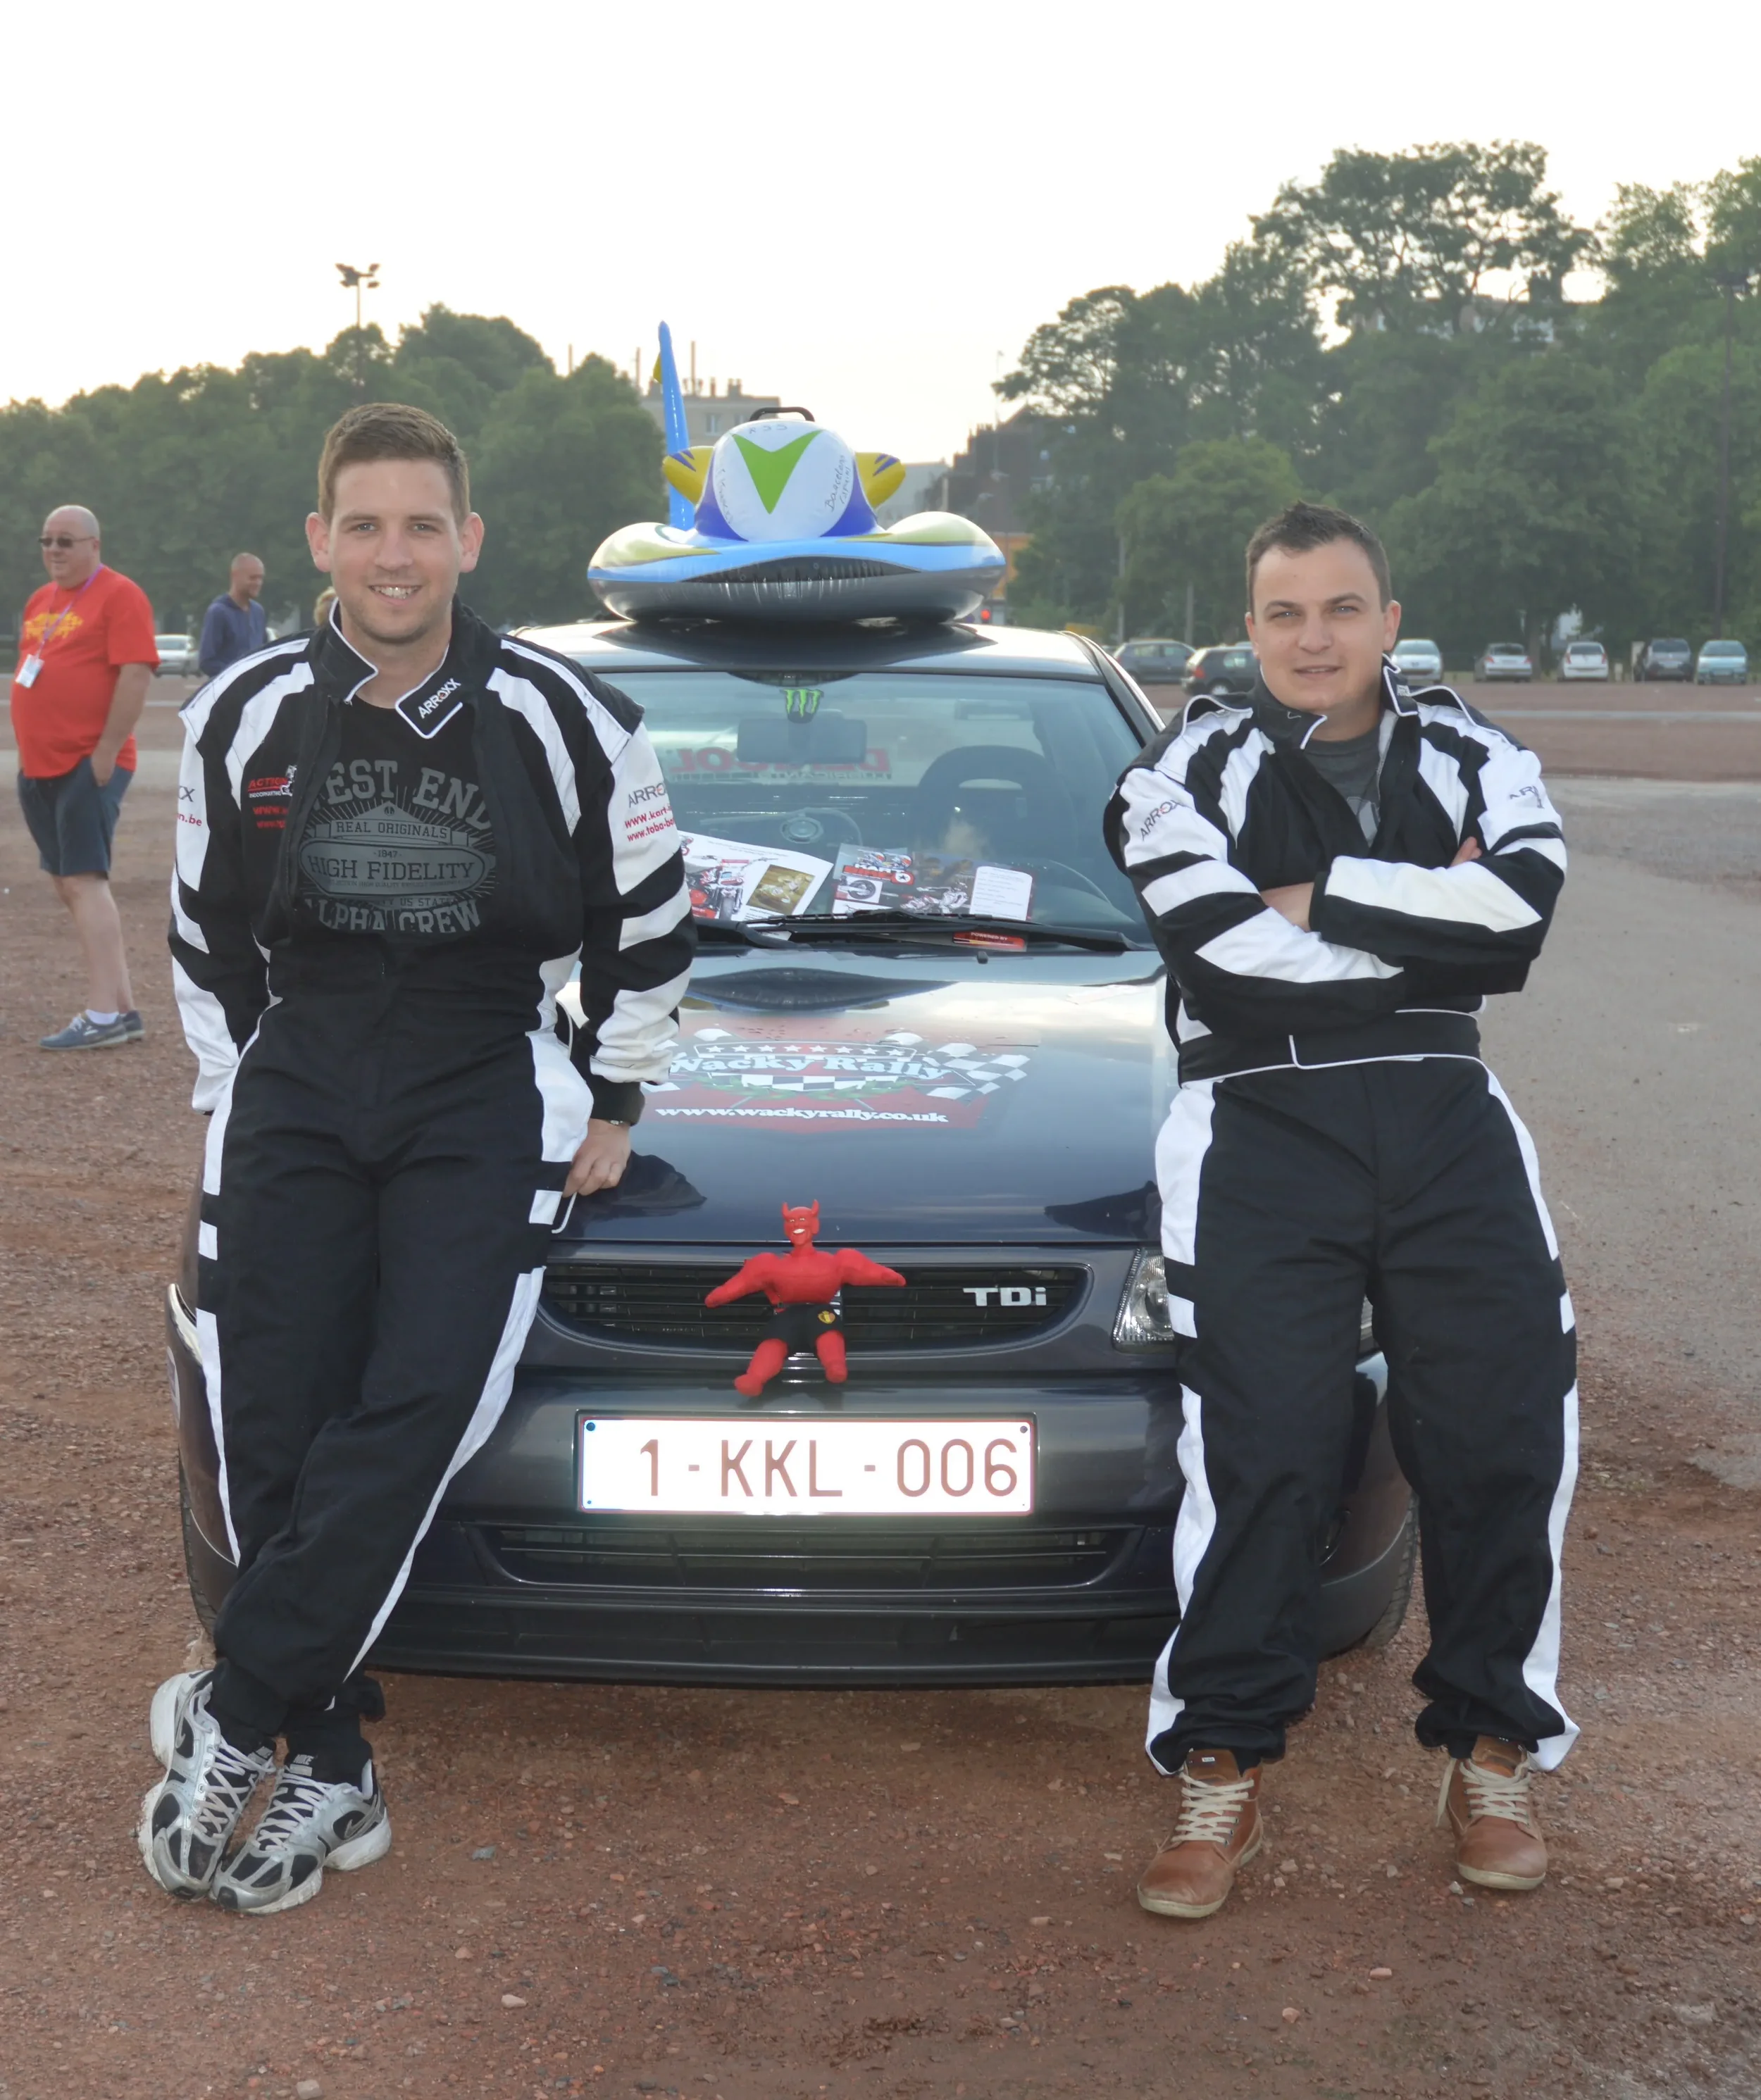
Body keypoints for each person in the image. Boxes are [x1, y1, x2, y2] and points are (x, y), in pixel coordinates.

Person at [142, 401, 693, 1914]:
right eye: (365, 525)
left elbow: (646, 923)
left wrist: (615, 1097)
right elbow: (203, 931)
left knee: (419, 1399)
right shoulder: (241, 708)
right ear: (320, 541)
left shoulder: (571, 714)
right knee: (275, 1408)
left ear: (470, 539)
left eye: (423, 525)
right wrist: (232, 1087)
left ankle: (240, 1708)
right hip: (298, 1074)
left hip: (480, 1077)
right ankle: (331, 1753)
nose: (396, 554)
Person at [1105, 501, 1575, 1920]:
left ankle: (1490, 1744)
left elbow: (1521, 919)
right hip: (1256, 1117)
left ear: (1386, 618)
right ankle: (1220, 1760)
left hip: (1443, 1111)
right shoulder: (1177, 766)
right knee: (1268, 1449)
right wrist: (1413, 921)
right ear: (1246, 632)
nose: (1313, 638)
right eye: (1282, 614)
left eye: (1340, 608)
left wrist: (1316, 898)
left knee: (1501, 1426)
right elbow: (1221, 954)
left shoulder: (1479, 751)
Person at [11, 505, 157, 1049]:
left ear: (94, 545)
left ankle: (100, 1017)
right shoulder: (40, 602)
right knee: (66, 884)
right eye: (47, 540)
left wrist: (106, 753)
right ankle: (122, 1007)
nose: (55, 550)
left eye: (66, 541)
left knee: (85, 881)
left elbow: (136, 673)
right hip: (40, 765)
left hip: (87, 763)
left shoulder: (120, 595)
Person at [197, 554, 268, 677]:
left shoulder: (258, 612)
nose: (258, 583)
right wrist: (238, 676)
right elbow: (207, 662)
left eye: (261, 578)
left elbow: (264, 653)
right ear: (235, 576)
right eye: (253, 578)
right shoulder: (218, 612)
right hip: (229, 692)